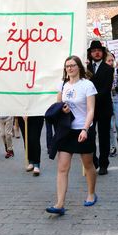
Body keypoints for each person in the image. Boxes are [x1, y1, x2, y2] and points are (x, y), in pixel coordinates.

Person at [46, 56, 97, 215]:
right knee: (62, 168)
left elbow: (91, 110)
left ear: (79, 67)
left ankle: (91, 193)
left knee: (88, 164)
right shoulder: (63, 85)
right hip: (66, 130)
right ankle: (60, 204)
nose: (69, 68)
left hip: (83, 129)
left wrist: (85, 129)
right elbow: (58, 106)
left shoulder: (87, 85)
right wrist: (63, 109)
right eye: (67, 66)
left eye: (72, 65)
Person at [87, 40, 114, 175]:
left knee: (104, 137)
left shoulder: (108, 69)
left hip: (103, 107)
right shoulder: (86, 69)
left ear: (102, 53)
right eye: (93, 51)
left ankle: (104, 163)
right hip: (89, 109)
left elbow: (105, 89)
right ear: (90, 53)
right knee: (90, 135)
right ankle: (93, 160)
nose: (96, 53)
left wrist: (91, 98)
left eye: (98, 50)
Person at [106, 53, 118, 156]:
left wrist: (116, 89)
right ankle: (112, 146)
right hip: (106, 100)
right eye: (108, 60)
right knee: (109, 125)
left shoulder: (117, 72)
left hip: (116, 98)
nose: (111, 62)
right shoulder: (103, 72)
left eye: (112, 60)